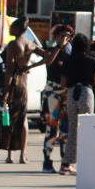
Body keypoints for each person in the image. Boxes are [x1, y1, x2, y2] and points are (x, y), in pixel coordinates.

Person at [0, 17, 40, 164]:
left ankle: (10, 155)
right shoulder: (30, 43)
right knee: (23, 119)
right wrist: (30, 67)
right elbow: (48, 57)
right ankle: (23, 155)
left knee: (8, 119)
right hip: (23, 84)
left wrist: (5, 90)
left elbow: (10, 69)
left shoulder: (13, 45)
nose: (9, 29)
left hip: (13, 84)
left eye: (11, 27)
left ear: (17, 29)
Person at [60, 34, 95, 177]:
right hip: (86, 94)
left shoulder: (67, 62)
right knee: (87, 130)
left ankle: (66, 163)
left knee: (72, 130)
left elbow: (63, 84)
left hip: (71, 94)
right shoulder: (92, 61)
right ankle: (86, 162)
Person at [40, 25, 74, 174]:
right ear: (56, 36)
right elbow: (48, 62)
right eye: (63, 35)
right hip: (52, 92)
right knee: (52, 128)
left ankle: (65, 162)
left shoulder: (72, 53)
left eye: (69, 35)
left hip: (66, 92)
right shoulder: (51, 50)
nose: (66, 38)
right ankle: (47, 161)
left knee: (66, 129)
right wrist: (59, 47)